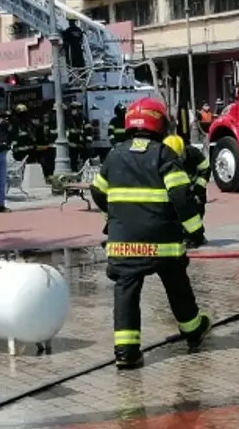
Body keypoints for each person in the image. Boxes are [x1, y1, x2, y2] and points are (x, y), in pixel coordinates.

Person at [90, 97, 211, 370]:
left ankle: (126, 352)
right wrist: (195, 230)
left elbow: (97, 191)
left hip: (123, 245)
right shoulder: (164, 155)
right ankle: (192, 331)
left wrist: (115, 214)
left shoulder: (114, 155)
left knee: (125, 292)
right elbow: (181, 196)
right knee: (177, 285)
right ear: (160, 124)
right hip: (162, 243)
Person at [163, 134, 211, 247]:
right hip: (178, 190)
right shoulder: (163, 159)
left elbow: (206, 168)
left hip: (195, 188)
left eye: (181, 156)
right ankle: (183, 235)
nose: (180, 160)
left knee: (196, 213)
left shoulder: (193, 153)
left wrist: (199, 185)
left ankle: (196, 237)